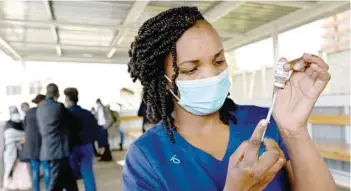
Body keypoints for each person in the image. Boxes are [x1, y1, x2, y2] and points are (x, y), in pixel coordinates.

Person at [123, 7, 335, 191]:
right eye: (191, 69)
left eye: (218, 60)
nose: (212, 75)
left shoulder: (265, 121)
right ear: (163, 81)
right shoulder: (146, 156)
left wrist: (294, 130)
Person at [36, 83, 78, 191]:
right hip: (58, 150)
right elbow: (70, 121)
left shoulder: (40, 107)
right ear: (57, 93)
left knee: (67, 177)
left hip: (46, 148)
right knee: (56, 178)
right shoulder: (58, 106)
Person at [64, 87, 97, 191]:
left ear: (68, 99)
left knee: (71, 175)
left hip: (71, 148)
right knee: (88, 173)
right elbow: (95, 129)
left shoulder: (65, 114)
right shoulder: (87, 113)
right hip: (87, 146)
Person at [21, 94, 50, 191]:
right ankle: (48, 188)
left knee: (34, 170)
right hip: (44, 145)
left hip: (32, 146)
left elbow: (25, 128)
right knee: (46, 168)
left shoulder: (29, 112)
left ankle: (36, 189)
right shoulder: (46, 111)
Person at [1, 106, 31, 190]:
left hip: (16, 153)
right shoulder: (17, 125)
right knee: (11, 169)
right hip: (13, 152)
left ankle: (10, 185)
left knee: (16, 170)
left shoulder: (9, 125)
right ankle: (7, 184)